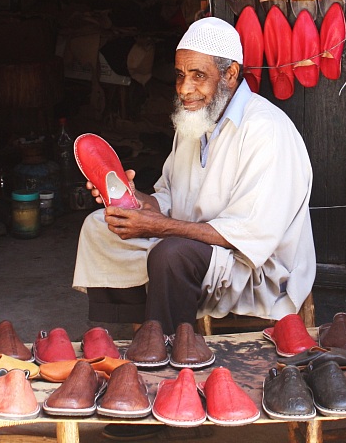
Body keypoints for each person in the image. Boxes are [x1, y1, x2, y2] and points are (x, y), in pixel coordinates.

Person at [72, 17, 315, 334]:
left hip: (255, 270)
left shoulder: (266, 130)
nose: (185, 89)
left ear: (229, 74)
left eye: (198, 76)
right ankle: (140, 334)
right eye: (180, 76)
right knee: (102, 226)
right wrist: (134, 200)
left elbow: (249, 235)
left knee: (172, 255)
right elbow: (170, 196)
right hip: (196, 244)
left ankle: (170, 349)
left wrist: (162, 226)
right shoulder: (194, 121)